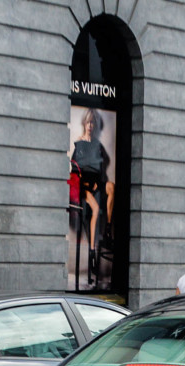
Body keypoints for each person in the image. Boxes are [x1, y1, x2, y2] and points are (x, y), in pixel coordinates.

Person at [70, 108, 115, 277]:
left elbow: (101, 167)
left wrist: (97, 183)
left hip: (96, 184)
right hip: (84, 186)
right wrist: (88, 183)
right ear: (84, 123)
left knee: (112, 187)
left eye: (92, 122)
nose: (90, 125)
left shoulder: (97, 145)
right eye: (88, 122)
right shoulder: (80, 144)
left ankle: (109, 227)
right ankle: (92, 253)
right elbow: (75, 169)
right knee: (95, 209)